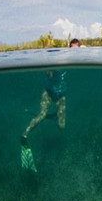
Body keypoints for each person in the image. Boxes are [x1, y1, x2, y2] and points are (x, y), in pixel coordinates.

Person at [20, 38, 81, 171]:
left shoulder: (78, 59)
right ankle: (24, 134)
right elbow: (48, 69)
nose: (73, 53)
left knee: (62, 125)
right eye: (72, 49)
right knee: (42, 115)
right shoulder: (60, 58)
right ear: (68, 48)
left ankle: (51, 117)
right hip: (48, 92)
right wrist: (49, 69)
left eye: (76, 50)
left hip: (61, 95)